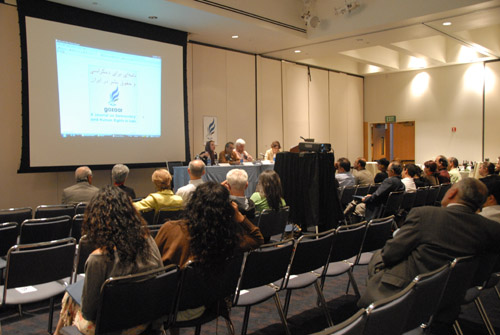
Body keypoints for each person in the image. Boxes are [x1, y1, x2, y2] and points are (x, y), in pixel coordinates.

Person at [358, 178, 500, 332]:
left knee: (379, 256)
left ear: (453, 192)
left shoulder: (425, 215)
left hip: (407, 295)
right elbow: (482, 273)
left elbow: (390, 254)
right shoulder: (492, 229)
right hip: (451, 298)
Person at [55, 186, 163, 335]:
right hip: (144, 321)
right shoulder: (149, 241)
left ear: (97, 220)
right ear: (131, 214)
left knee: (70, 297)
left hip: (110, 329)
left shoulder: (98, 259)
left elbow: (88, 312)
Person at [154, 182, 264, 321]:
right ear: (227, 209)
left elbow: (154, 265)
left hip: (171, 306)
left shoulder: (170, 228)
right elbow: (257, 239)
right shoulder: (227, 239)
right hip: (207, 303)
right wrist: (240, 217)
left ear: (193, 204)